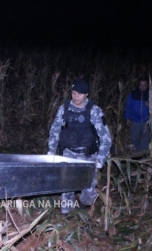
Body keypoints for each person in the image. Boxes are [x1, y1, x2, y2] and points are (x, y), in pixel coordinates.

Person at [47, 79, 112, 214]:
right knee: (67, 186)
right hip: (69, 154)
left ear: (86, 94)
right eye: (73, 93)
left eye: (80, 94)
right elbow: (55, 130)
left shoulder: (94, 111)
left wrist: (100, 159)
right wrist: (51, 150)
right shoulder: (64, 109)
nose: (76, 97)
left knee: (89, 191)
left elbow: (106, 137)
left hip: (88, 156)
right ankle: (66, 215)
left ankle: (81, 206)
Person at [125, 78, 152, 153]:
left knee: (145, 139)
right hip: (135, 120)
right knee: (133, 138)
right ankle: (139, 151)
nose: (142, 87)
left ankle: (142, 156)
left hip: (147, 121)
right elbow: (128, 106)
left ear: (147, 85)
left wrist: (150, 105)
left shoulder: (151, 94)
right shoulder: (133, 94)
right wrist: (127, 118)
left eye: (144, 85)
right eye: (141, 85)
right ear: (138, 85)